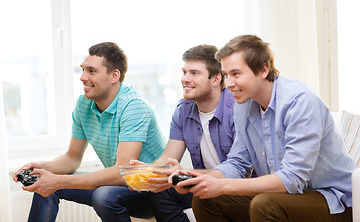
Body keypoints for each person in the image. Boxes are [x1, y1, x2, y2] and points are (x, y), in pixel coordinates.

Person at [171, 35, 355, 222]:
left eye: (236, 74)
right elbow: (237, 162)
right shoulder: (243, 105)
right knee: (206, 199)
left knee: (264, 205)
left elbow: (292, 179)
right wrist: (206, 181)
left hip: (334, 200)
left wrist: (223, 185)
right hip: (284, 197)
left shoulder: (300, 102)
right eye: (226, 75)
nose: (229, 83)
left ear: (263, 69)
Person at [12, 42, 166, 222]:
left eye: (91, 71)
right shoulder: (84, 104)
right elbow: (72, 158)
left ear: (114, 75)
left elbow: (123, 173)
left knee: (103, 195)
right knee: (44, 184)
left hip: (151, 192)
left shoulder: (134, 107)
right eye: (83, 70)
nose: (82, 77)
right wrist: (41, 167)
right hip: (119, 185)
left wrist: (57, 181)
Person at [133, 44, 235, 222]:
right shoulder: (183, 109)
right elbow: (168, 158)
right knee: (162, 192)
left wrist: (187, 173)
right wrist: (146, 172)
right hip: (203, 183)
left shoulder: (236, 109)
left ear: (216, 78)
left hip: (234, 185)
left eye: (194, 73)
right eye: (184, 72)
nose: (185, 79)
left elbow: (241, 170)